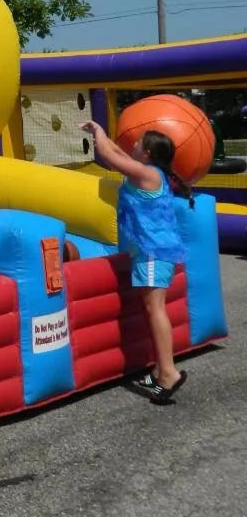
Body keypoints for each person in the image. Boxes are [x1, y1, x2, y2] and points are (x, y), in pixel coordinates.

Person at [80, 120, 190, 404]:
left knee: (155, 309)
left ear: (149, 153)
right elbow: (116, 153)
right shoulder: (150, 171)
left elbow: (108, 154)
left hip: (153, 252)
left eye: (140, 143)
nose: (135, 145)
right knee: (153, 308)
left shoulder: (147, 174)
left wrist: (97, 132)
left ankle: (168, 372)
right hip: (152, 251)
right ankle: (158, 369)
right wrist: (105, 139)